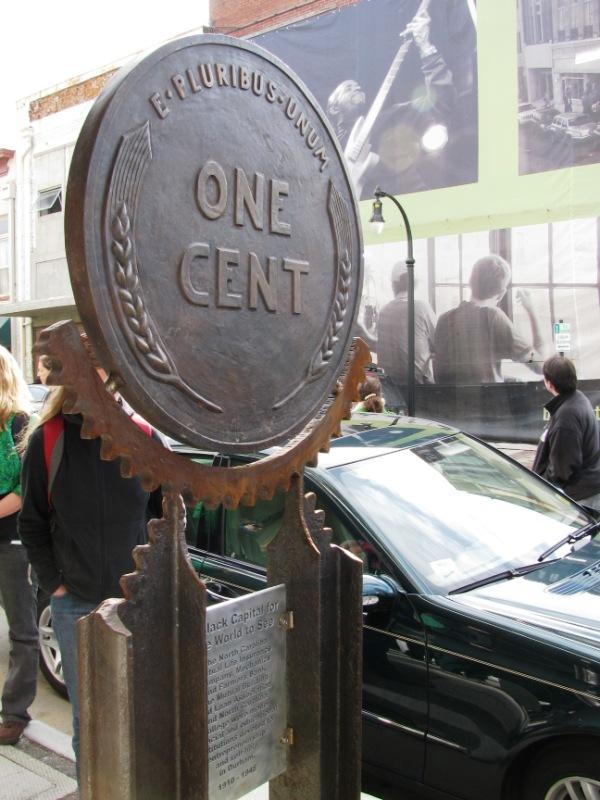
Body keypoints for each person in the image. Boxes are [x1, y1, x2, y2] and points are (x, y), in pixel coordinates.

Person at [18, 362, 163, 771]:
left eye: (105, 368)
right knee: (91, 722)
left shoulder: (144, 437)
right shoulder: (48, 440)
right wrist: (56, 583)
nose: (100, 379)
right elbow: (32, 523)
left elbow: (165, 518)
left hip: (136, 604)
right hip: (76, 605)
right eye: (91, 367)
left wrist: (150, 581)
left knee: (142, 717)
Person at [326, 7, 458, 199]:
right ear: (333, 108)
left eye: (358, 86)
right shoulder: (326, 149)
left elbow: (441, 101)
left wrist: (425, 47)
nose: (357, 88)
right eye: (348, 88)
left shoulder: (388, 119)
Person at [0, 346, 38, 746]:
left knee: (22, 632)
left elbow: (25, 488)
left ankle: (14, 714)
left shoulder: (21, 423)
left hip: (12, 541)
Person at [433, 254, 545, 384]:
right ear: (501, 294)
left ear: (470, 282)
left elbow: (452, 373)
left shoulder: (444, 319)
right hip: (486, 397)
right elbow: (540, 366)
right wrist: (532, 311)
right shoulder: (493, 317)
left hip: (449, 396)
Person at [533, 356, 600, 509]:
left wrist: (540, 489)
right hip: (586, 492)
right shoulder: (576, 399)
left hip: (581, 497)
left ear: (549, 383)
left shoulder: (566, 416)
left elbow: (561, 469)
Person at [375, 261, 436, 408]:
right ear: (415, 284)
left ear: (393, 285)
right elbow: (438, 343)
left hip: (389, 391)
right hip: (419, 390)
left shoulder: (383, 312)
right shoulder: (422, 307)